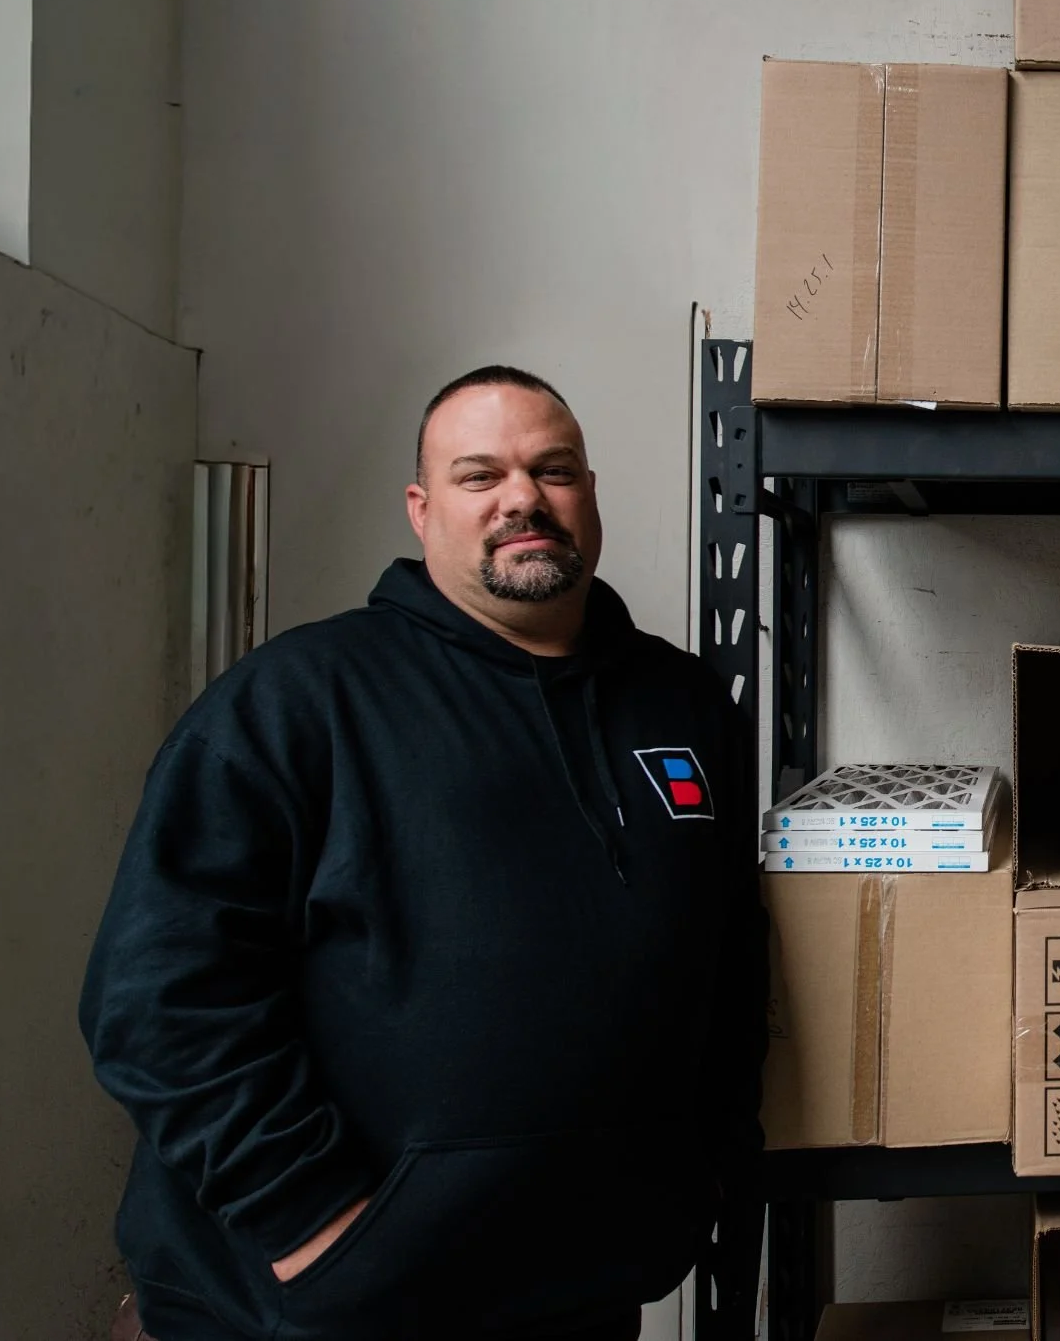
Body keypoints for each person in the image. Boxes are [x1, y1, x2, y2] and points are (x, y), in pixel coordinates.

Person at [81, 366, 765, 1341]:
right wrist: (311, 1219)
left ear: (589, 492)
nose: (523, 497)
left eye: (553, 469)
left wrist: (692, 1192)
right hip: (308, 1310)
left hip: (572, 1297)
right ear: (421, 507)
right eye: (479, 475)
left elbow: (729, 972)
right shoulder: (294, 703)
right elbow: (154, 997)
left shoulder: (686, 705)